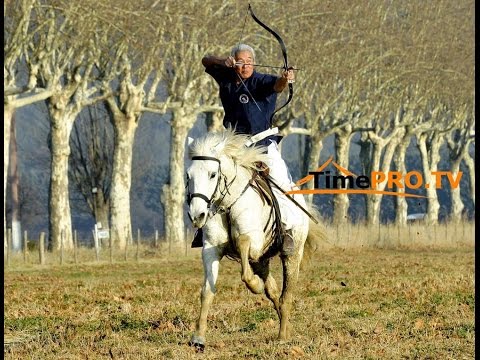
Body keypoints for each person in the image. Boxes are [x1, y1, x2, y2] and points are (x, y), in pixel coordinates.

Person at [192, 43, 303, 255]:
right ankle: (206, 228)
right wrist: (221, 60)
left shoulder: (261, 80)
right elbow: (205, 60)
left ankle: (286, 230)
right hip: (235, 144)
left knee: (280, 180)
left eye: (249, 62)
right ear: (234, 62)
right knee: (211, 173)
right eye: (241, 62)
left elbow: (278, 85)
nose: (245, 66)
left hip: (262, 144)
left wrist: (285, 78)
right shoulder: (225, 75)